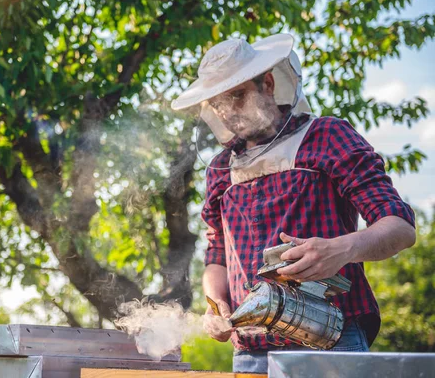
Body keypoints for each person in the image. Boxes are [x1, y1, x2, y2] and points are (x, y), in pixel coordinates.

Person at [171, 33, 416, 374]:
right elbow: (216, 255)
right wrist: (217, 306)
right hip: (250, 353)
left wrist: (341, 250)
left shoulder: (328, 136)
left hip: (331, 343)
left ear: (268, 83)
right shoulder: (220, 169)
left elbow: (400, 227)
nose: (228, 112)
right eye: (217, 104)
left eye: (237, 96)